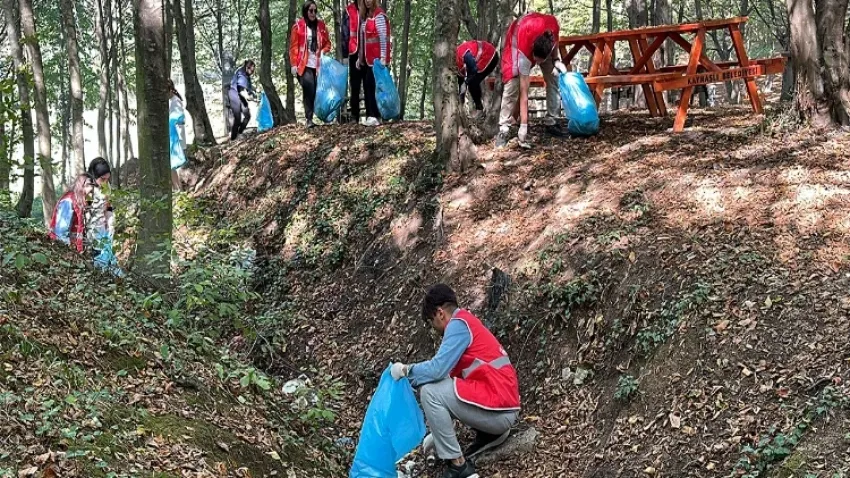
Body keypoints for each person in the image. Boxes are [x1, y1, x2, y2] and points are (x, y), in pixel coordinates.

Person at [390, 284, 521, 478]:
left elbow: (436, 370)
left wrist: (406, 370)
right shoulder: (466, 323)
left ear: (440, 313)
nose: (434, 328)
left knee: (429, 392)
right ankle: (489, 434)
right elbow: (446, 380)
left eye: (431, 321)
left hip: (500, 412)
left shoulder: (458, 326)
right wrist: (438, 433)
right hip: (501, 408)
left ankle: (459, 467)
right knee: (435, 389)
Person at [496, 12, 568, 148]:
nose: (536, 63)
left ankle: (552, 121)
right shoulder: (525, 48)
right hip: (517, 40)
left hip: (540, 43)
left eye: (539, 61)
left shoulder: (552, 27)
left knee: (554, 76)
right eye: (535, 59)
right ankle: (504, 128)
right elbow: (524, 92)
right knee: (513, 82)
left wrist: (556, 60)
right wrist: (524, 125)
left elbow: (556, 43)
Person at [290, 0, 332, 129]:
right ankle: (308, 119)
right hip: (304, 64)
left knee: (316, 91)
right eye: (310, 11)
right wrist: (293, 64)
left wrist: (323, 52)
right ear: (305, 11)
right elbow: (293, 47)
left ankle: (322, 116)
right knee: (309, 89)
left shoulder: (321, 26)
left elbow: (327, 44)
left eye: (315, 11)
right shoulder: (298, 26)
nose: (313, 13)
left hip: (318, 65)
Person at [356, 0, 390, 126]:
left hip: (376, 60)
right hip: (367, 59)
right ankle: (373, 116)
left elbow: (382, 37)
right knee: (367, 86)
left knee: (372, 86)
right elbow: (363, 40)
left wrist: (383, 57)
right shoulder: (365, 17)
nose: (368, 1)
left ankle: (374, 115)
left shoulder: (379, 15)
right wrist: (360, 58)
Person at [86, 158, 121, 275]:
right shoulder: (88, 189)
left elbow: (108, 206)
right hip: (91, 231)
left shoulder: (106, 187)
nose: (105, 182)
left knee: (109, 258)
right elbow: (85, 213)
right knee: (98, 260)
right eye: (102, 179)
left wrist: (111, 222)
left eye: (107, 179)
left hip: (104, 229)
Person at [48, 174, 93, 253]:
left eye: (92, 185)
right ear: (80, 185)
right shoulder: (68, 200)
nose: (91, 188)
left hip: (72, 248)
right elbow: (61, 231)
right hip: (62, 248)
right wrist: (67, 251)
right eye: (88, 185)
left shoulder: (79, 201)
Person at [456, 40, 499, 119]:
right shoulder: (456, 65)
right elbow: (460, 83)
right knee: (470, 81)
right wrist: (460, 102)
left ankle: (479, 110)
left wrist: (466, 83)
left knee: (472, 82)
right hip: (478, 60)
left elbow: (473, 69)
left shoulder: (462, 53)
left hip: (490, 55)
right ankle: (464, 109)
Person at [229, 60, 257, 140]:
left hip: (241, 96)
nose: (252, 72)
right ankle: (233, 138)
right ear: (247, 67)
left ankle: (239, 132)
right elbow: (241, 89)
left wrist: (253, 93)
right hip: (234, 94)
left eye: (253, 70)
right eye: (252, 70)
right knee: (237, 118)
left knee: (247, 115)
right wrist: (248, 97)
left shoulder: (246, 75)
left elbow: (248, 87)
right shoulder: (242, 73)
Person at [168, 79, 187, 191]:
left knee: (175, 167)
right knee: (172, 167)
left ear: (170, 90)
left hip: (176, 138)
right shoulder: (172, 101)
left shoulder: (176, 101)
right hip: (173, 137)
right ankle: (176, 190)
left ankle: (178, 191)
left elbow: (180, 119)